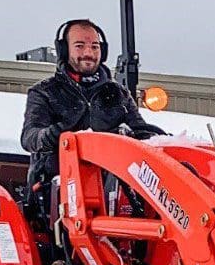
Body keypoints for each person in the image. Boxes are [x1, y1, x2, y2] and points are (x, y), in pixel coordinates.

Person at [20, 18, 165, 188]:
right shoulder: (45, 92)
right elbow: (30, 138)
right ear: (64, 50)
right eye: (79, 46)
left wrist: (159, 142)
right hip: (59, 187)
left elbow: (142, 134)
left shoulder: (118, 94)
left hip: (113, 186)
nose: (88, 53)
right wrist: (54, 134)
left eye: (94, 47)